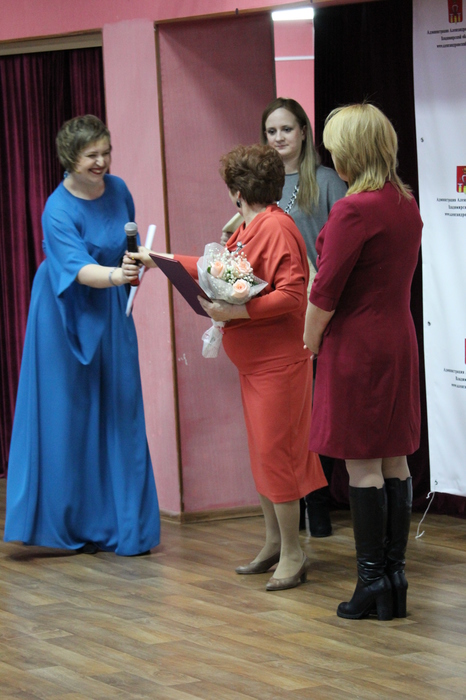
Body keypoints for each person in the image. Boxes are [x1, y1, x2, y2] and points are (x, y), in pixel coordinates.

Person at [133, 144, 326, 591]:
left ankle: (293, 552)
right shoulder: (250, 226)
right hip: (258, 364)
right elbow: (216, 270)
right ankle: (274, 543)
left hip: (278, 364)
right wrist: (159, 260)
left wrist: (239, 312)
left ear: (237, 191)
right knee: (263, 453)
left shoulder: (275, 227)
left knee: (277, 456)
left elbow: (292, 295)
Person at [4, 115, 160, 556]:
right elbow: (77, 269)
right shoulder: (57, 209)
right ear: (70, 158)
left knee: (121, 409)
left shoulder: (119, 189)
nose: (102, 162)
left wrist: (137, 261)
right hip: (63, 312)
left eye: (106, 152)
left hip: (111, 308)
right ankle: (69, 524)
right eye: (92, 155)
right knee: (69, 417)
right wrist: (117, 275)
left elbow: (126, 244)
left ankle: (125, 528)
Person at [303, 103, 422, 620]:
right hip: (397, 339)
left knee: (363, 464)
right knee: (393, 458)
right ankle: (394, 579)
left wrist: (310, 341)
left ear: (351, 152)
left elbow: (325, 292)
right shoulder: (404, 203)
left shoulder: (354, 210)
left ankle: (371, 581)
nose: (332, 156)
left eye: (335, 148)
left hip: (357, 344)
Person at [261, 97, 348, 538]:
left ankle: (319, 503)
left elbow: (347, 244)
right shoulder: (261, 186)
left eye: (286, 129)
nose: (279, 138)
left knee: (319, 409)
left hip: (320, 310)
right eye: (271, 131)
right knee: (290, 415)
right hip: (277, 314)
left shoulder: (327, 180)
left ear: (303, 132)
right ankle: (298, 505)